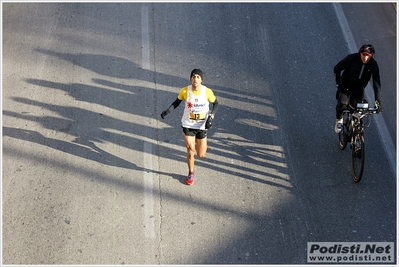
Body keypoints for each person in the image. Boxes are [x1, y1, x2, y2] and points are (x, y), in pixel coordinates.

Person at [160, 69, 219, 185]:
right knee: (190, 151)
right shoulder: (185, 91)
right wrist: (167, 111)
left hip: (202, 125)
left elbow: (216, 103)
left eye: (198, 77)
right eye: (193, 77)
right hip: (188, 124)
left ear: (201, 80)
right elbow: (177, 102)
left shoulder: (207, 92)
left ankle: (201, 143)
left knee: (201, 154)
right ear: (190, 79)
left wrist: (211, 116)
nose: (195, 79)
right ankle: (191, 173)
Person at [334, 44, 382, 133]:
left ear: (371, 55)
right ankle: (339, 120)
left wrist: (378, 102)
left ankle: (356, 134)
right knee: (343, 104)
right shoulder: (351, 58)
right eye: (363, 55)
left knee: (360, 110)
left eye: (368, 56)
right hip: (346, 87)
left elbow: (376, 83)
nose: (365, 58)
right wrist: (339, 86)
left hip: (358, 89)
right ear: (359, 53)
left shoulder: (373, 65)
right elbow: (337, 68)